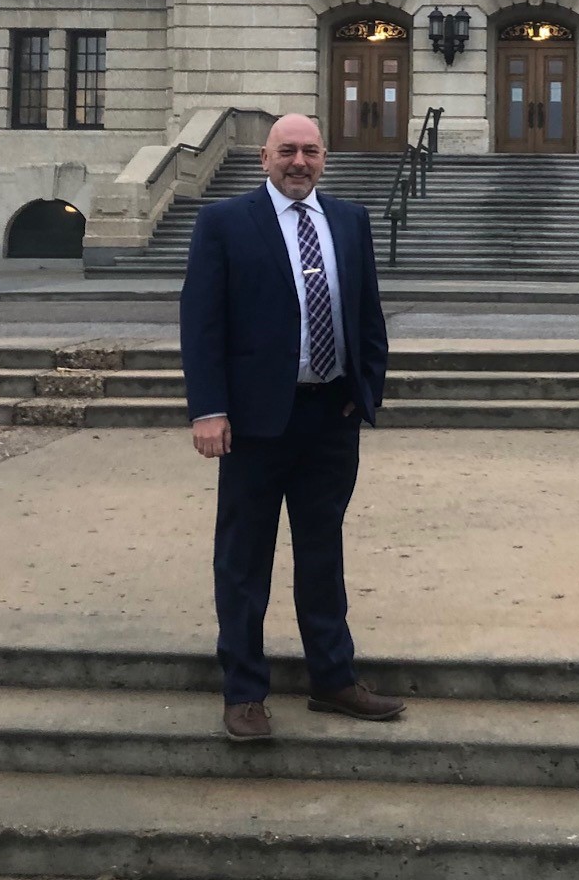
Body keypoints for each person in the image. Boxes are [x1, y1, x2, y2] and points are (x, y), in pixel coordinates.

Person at [179, 111, 403, 741]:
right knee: (244, 559)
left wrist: (365, 391)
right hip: (252, 423)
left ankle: (333, 678)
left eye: (309, 151)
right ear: (264, 158)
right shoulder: (225, 223)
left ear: (324, 158)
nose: (298, 162)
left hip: (330, 417)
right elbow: (202, 324)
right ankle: (244, 692)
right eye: (286, 152)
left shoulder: (351, 222)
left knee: (322, 552)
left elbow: (368, 315)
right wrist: (209, 409)